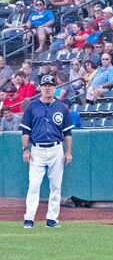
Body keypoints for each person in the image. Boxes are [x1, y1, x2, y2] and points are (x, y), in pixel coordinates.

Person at [21, 75, 73, 229]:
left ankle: (52, 219)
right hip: (37, 149)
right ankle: (29, 218)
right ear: (40, 88)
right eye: (44, 85)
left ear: (55, 88)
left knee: (56, 186)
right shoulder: (32, 106)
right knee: (34, 185)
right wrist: (25, 149)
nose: (47, 87)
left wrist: (68, 151)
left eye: (50, 85)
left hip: (56, 148)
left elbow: (67, 133)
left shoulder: (62, 107)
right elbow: (25, 131)